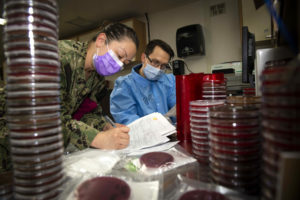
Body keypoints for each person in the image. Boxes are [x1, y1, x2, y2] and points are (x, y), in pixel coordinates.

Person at [0, 22, 139, 173]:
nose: (119, 65)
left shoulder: (96, 78)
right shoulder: (55, 58)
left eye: (125, 62)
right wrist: (98, 138)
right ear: (101, 40)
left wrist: (104, 127)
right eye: (119, 56)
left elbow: (88, 111)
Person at [110, 39, 175, 125]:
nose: (159, 69)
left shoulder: (169, 80)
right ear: (144, 58)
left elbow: (177, 109)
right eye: (155, 62)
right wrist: (156, 127)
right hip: (143, 136)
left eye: (163, 66)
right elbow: (128, 120)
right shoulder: (125, 85)